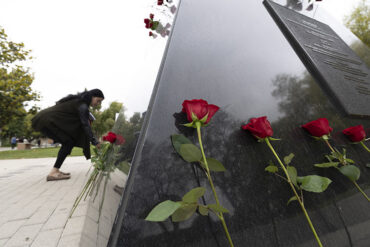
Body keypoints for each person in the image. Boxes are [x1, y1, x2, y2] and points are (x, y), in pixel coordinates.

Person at [32, 89, 104, 181]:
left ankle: (55, 171)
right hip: (47, 121)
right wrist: (95, 141)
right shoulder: (82, 106)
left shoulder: (79, 102)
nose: (98, 104)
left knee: (68, 142)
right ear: (92, 96)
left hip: (45, 119)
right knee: (68, 142)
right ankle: (53, 172)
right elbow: (85, 125)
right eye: (98, 101)